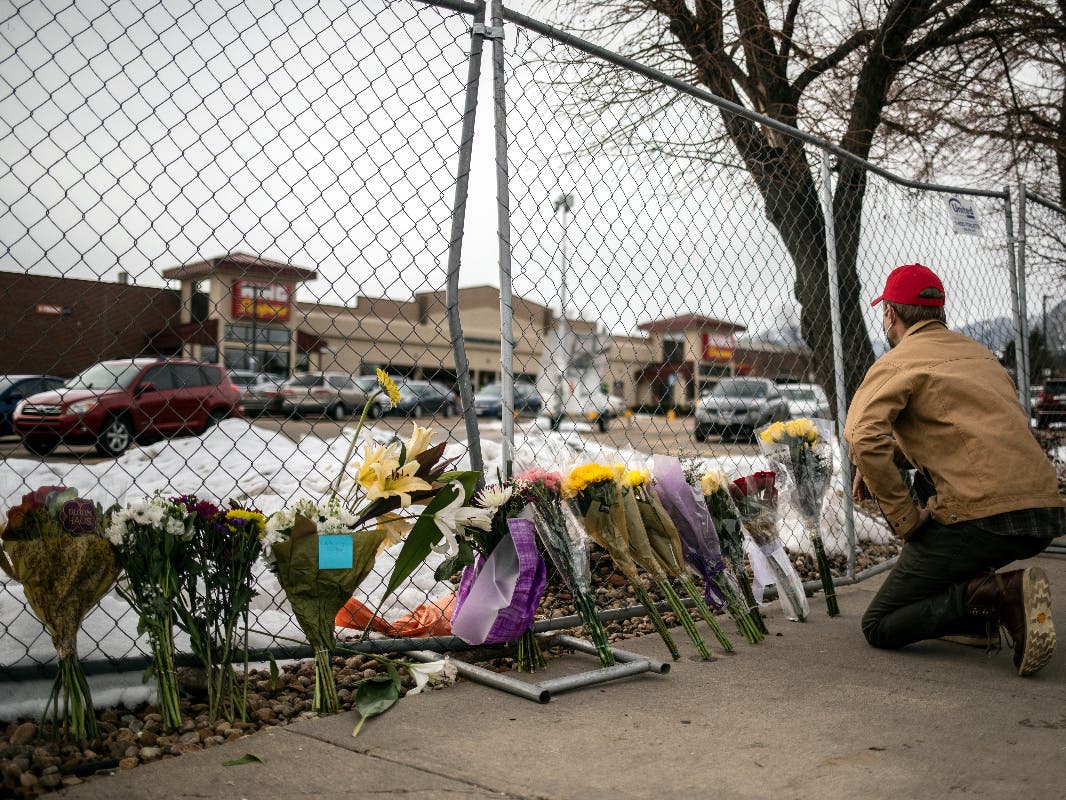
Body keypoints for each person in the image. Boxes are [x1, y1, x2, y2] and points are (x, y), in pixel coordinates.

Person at [844, 262, 1060, 676]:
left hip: (984, 517)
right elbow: (961, 438)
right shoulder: (980, 355)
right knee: (936, 488)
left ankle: (1001, 595)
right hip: (1042, 514)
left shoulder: (898, 362)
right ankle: (979, 617)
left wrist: (906, 520)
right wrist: (888, 460)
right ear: (938, 311)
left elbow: (862, 437)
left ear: (890, 313)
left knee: (880, 624)